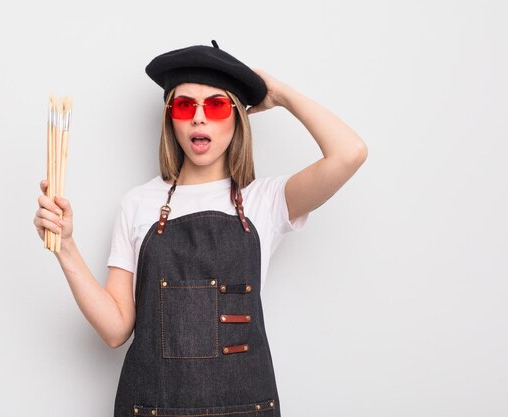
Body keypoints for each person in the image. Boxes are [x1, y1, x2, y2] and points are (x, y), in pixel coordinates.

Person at [33, 40, 367, 417]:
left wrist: (280, 94)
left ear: (237, 116)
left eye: (217, 104)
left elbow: (350, 152)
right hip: (152, 407)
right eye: (184, 104)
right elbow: (115, 330)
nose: (198, 117)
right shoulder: (138, 203)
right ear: (170, 118)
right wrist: (66, 247)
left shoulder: (266, 201)